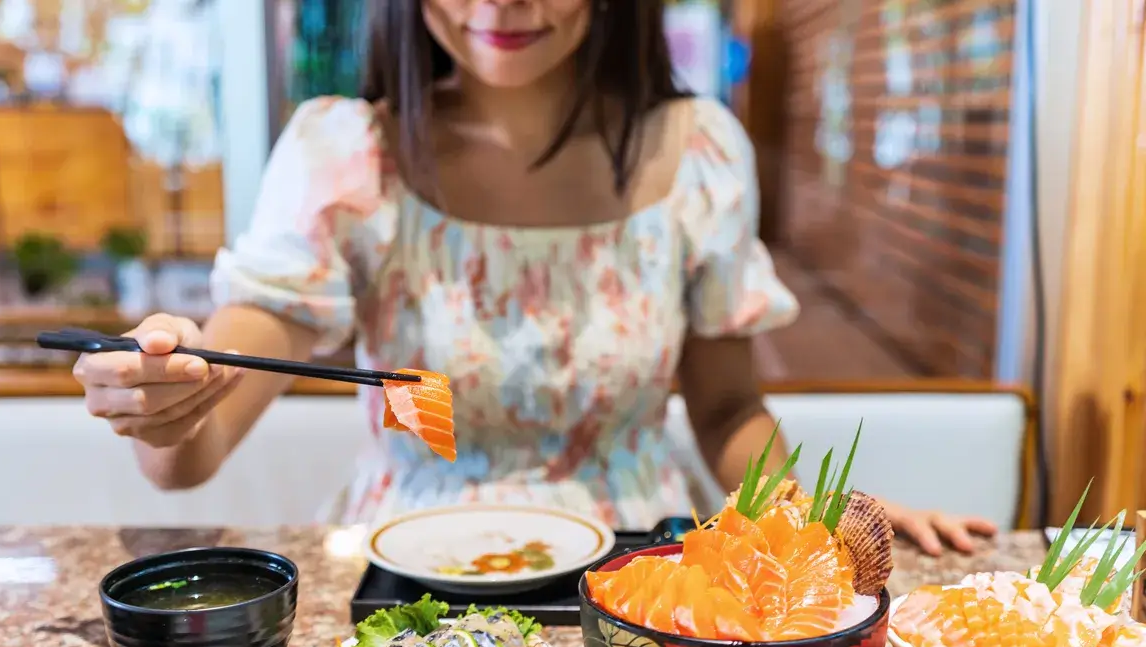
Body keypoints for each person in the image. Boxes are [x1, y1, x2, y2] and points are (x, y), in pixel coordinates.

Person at [72, 0, 995, 556]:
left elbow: (724, 411)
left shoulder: (698, 150)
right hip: (407, 567)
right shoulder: (345, 152)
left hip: (641, 566)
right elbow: (192, 450)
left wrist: (821, 515)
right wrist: (165, 395)